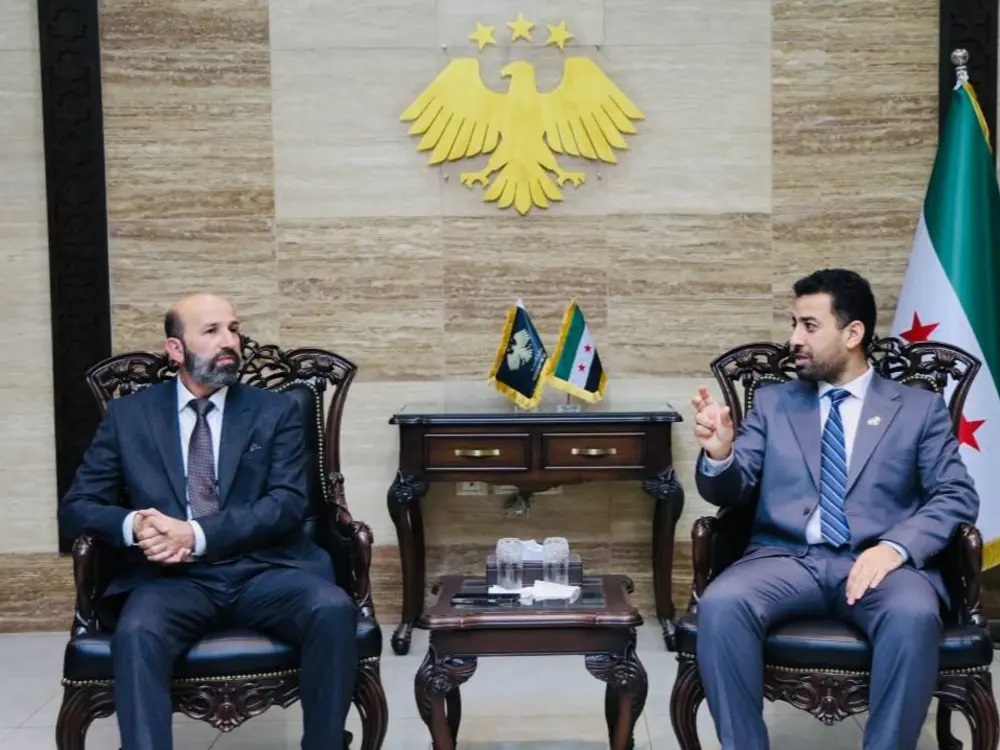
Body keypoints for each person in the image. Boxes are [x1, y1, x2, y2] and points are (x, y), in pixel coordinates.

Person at [690, 269, 979, 750]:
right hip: (785, 559)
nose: (793, 339)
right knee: (722, 604)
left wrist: (896, 547)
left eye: (809, 325)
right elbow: (731, 490)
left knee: (912, 614)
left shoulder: (918, 409)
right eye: (794, 324)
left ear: (852, 333)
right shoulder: (774, 403)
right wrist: (721, 454)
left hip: (880, 565)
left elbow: (956, 494)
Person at [59, 293, 357, 750]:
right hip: (170, 581)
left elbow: (287, 503)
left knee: (332, 609)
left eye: (233, 329)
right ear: (175, 349)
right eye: (212, 331)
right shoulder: (129, 417)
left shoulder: (274, 411)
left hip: (265, 571)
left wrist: (195, 533)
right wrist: (137, 525)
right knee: (137, 631)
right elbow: (77, 506)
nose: (229, 342)